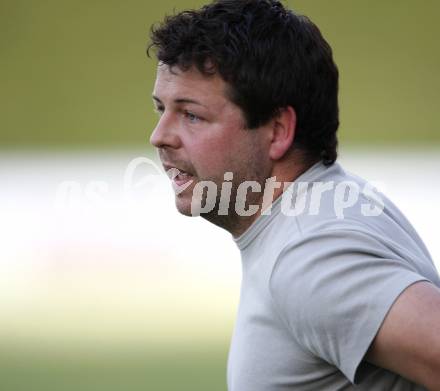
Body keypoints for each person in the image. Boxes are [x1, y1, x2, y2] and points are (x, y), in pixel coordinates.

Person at [147, 0, 440, 390]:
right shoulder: (326, 204)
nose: (160, 136)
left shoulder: (310, 255)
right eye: (161, 109)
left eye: (192, 115)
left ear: (278, 129)